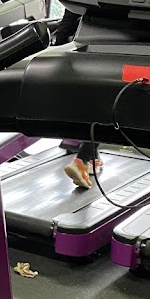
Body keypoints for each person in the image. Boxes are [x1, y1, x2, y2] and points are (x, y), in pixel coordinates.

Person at [54, 10, 103, 188]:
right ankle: (81, 160)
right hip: (108, 53)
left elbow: (69, 18)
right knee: (105, 110)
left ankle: (93, 158)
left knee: (92, 108)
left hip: (82, 53)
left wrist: (58, 47)